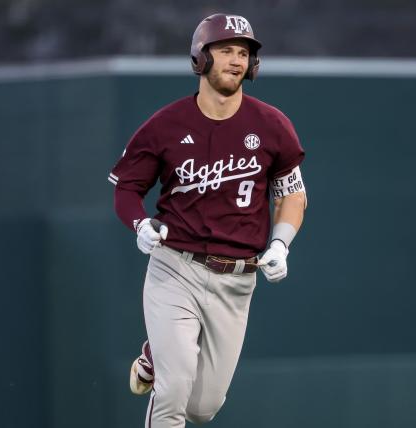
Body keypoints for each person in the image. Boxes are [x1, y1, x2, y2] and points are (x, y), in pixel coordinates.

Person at [107, 13, 307, 428]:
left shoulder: (272, 125)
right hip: (175, 267)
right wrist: (140, 225)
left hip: (236, 280)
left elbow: (292, 195)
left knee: (202, 409)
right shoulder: (165, 125)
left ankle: (152, 354)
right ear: (201, 57)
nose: (236, 60)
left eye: (243, 53)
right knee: (174, 391)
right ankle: (164, 360)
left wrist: (281, 243)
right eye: (226, 50)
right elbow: (126, 189)